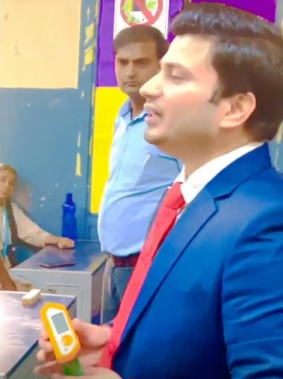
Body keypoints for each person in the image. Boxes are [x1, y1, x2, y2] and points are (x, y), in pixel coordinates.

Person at [36, 4, 283, 379]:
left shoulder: (275, 225)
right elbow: (197, 327)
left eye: (175, 76)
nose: (149, 86)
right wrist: (114, 340)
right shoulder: (190, 196)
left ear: (235, 108)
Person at [97, 25, 179, 325]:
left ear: (161, 66)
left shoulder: (173, 122)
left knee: (139, 352)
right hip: (112, 264)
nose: (130, 71)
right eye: (123, 62)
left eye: (141, 62)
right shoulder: (122, 117)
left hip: (148, 266)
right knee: (107, 348)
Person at [0, 164, 74, 267]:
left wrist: (58, 240)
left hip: (5, 267)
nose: (7, 186)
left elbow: (32, 233)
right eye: (2, 180)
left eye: (11, 183)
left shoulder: (11, 210)